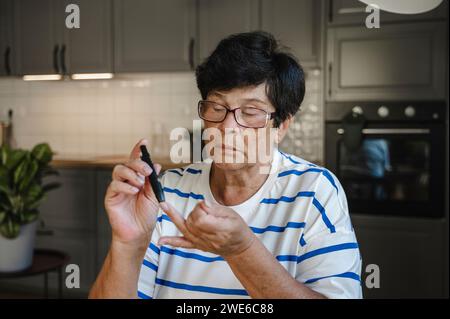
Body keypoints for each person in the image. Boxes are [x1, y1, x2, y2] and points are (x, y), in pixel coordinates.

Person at [89, 31, 362, 299]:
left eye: (251, 112)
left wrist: (242, 251)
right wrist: (127, 243)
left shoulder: (315, 191)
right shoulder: (167, 193)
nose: (226, 127)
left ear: (282, 126)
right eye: (216, 108)